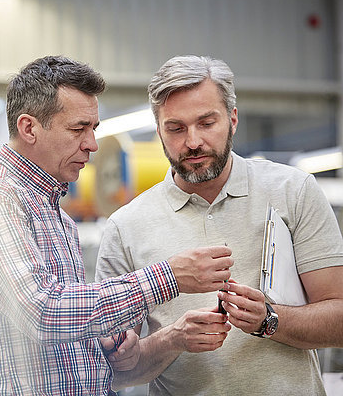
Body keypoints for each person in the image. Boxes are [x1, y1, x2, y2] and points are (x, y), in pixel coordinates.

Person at [0, 55, 234, 395]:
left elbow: (61, 327)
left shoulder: (58, 218)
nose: (92, 145)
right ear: (28, 128)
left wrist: (104, 343)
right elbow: (43, 312)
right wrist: (168, 277)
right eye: (78, 129)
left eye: (93, 129)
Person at [96, 55, 343, 395]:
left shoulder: (292, 191)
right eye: (176, 128)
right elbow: (112, 371)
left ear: (233, 119)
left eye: (206, 123)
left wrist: (269, 320)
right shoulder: (125, 227)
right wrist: (173, 338)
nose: (193, 141)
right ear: (159, 132)